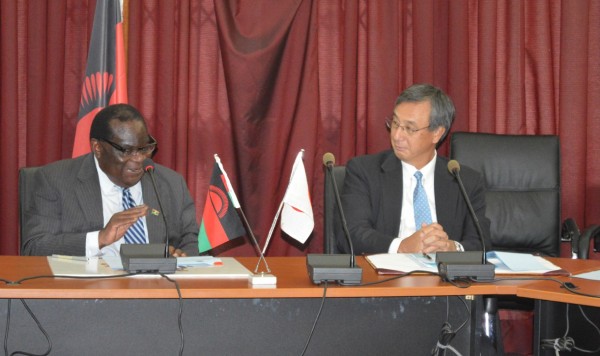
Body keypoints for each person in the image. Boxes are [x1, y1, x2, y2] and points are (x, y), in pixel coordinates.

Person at [22, 104, 199, 257]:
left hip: (158, 289)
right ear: (97, 148)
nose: (138, 159)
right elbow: (35, 247)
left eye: (144, 148)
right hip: (88, 289)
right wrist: (100, 238)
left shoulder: (170, 182)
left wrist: (183, 258)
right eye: (126, 151)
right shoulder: (55, 181)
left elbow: (191, 240)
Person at [340, 83, 491, 255]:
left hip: (446, 279)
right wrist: (401, 247)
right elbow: (350, 235)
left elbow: (481, 242)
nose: (397, 135)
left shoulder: (465, 181)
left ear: (437, 133)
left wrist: (451, 248)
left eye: (409, 129)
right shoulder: (364, 172)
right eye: (395, 123)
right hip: (386, 277)